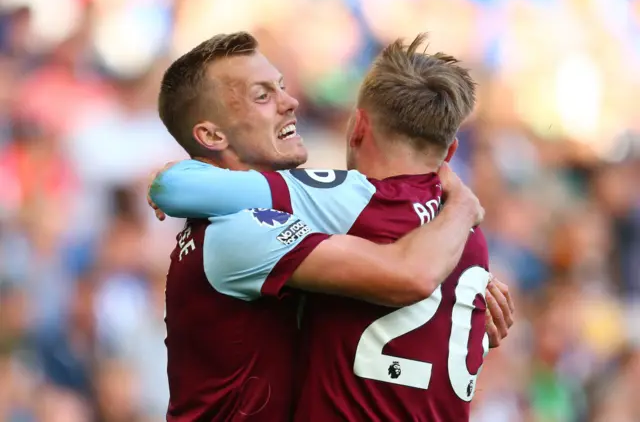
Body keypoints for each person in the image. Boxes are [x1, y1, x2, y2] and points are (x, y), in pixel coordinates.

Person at [152, 32, 513, 421]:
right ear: (211, 135)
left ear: (357, 127)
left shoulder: (320, 218)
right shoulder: (241, 230)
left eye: (283, 87)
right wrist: (462, 208)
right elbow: (410, 274)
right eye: (263, 95)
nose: (290, 102)